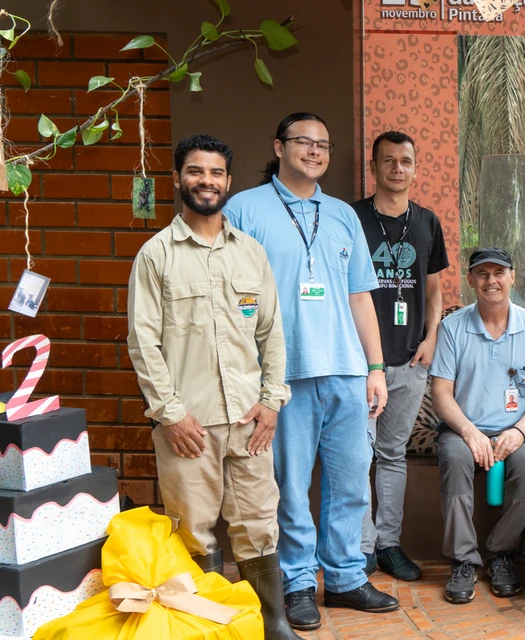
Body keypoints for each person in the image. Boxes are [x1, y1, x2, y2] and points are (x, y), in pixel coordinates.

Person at [224, 112, 397, 630]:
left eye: (323, 144)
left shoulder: (343, 215)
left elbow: (360, 295)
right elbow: (233, 297)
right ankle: (297, 581)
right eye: (303, 141)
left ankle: (344, 579)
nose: (315, 151)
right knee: (289, 485)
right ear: (279, 147)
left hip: (346, 371)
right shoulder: (245, 208)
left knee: (349, 484)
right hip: (283, 376)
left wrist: (376, 367)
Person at [126, 134, 300, 640]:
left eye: (217, 172)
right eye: (196, 171)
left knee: (259, 525)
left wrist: (272, 403)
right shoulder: (155, 255)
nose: (207, 181)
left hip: (250, 423)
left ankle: (271, 623)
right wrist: (171, 414)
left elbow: (272, 334)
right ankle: (206, 628)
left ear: (229, 180)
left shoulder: (251, 254)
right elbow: (143, 343)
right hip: (189, 425)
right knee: (194, 530)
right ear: (178, 179)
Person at [429, 247, 525, 604]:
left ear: (512, 277)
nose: (492, 281)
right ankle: (463, 560)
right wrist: (470, 431)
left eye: (499, 273)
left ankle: (499, 553)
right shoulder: (452, 327)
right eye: (483, 274)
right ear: (471, 280)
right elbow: (441, 392)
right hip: (463, 428)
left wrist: (519, 431)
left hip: (517, 431)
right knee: (455, 460)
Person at [350, 130, 450, 582]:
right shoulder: (351, 218)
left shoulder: (427, 222)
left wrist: (431, 338)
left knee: (391, 453)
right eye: (387, 161)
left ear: (415, 167)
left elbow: (434, 288)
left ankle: (388, 544)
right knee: (357, 454)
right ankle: (362, 547)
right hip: (359, 363)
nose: (396, 168)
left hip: (410, 362)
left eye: (404, 161)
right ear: (374, 167)